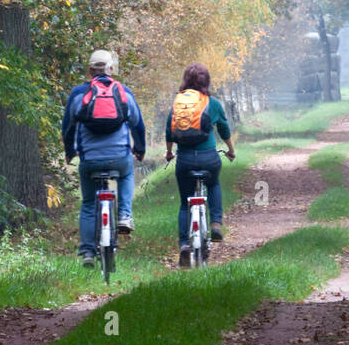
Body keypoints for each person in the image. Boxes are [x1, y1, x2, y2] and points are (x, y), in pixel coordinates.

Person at [62, 49, 146, 268]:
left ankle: (88, 252)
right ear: (111, 69)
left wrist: (70, 152)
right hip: (119, 158)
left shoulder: (79, 94)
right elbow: (138, 124)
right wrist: (140, 149)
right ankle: (125, 215)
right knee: (127, 174)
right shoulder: (123, 92)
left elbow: (68, 128)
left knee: (89, 203)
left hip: (89, 160)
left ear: (90, 70)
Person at [165, 62, 235, 268]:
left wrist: (169, 152)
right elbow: (223, 128)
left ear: (186, 81)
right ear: (207, 81)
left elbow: (169, 130)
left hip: (185, 160)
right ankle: (215, 224)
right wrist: (231, 150)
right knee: (213, 184)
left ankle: (185, 245)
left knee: (185, 202)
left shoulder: (178, 103)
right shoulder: (212, 103)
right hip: (208, 158)